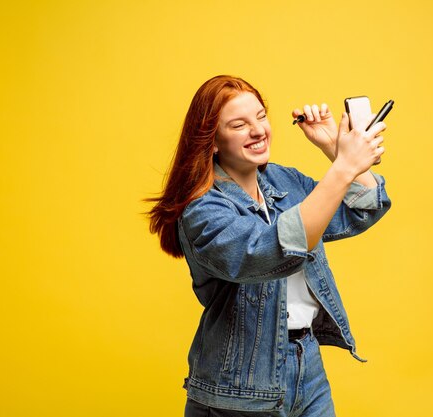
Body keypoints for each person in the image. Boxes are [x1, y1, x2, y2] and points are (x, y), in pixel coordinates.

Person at [146, 75, 391, 416]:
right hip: (240, 384)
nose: (258, 130)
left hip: (307, 368)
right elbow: (271, 252)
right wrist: (345, 166)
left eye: (261, 116)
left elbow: (363, 208)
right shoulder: (202, 209)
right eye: (239, 124)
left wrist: (334, 148)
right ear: (212, 140)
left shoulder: (282, 180)